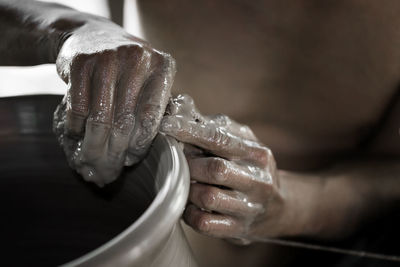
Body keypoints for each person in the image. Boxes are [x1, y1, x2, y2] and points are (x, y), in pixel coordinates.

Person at [1, 0, 399, 250]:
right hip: (139, 202)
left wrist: (289, 204)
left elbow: (391, 173)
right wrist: (74, 28)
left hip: (302, 242)